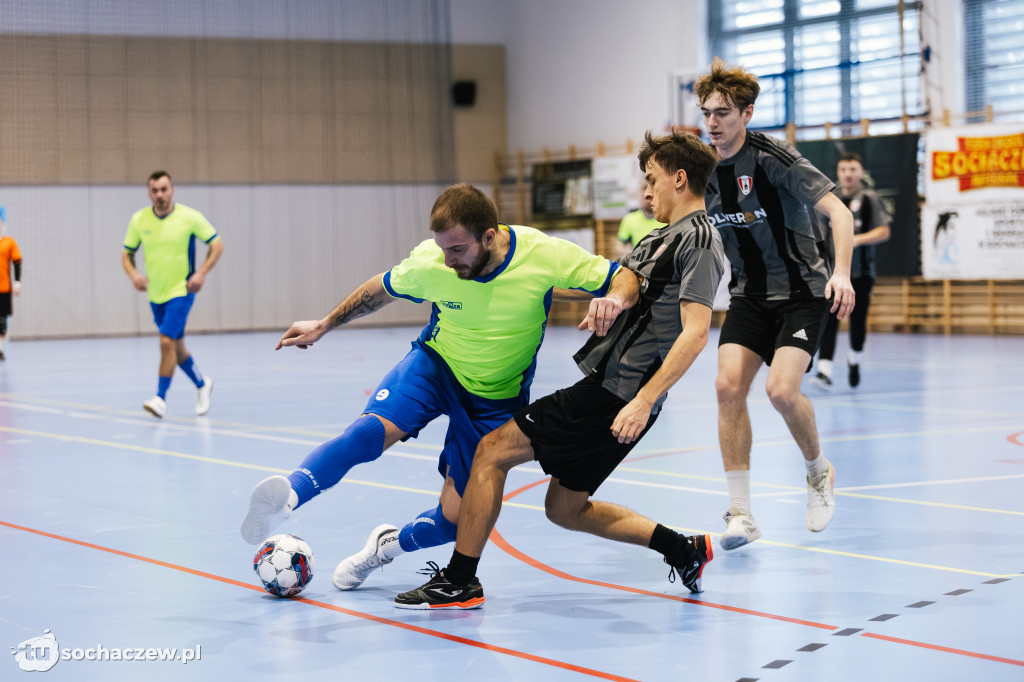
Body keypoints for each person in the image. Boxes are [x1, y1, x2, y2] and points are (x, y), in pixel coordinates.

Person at [240, 184, 636, 594]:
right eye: (442, 249)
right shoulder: (433, 261)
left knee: (454, 522)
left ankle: (384, 548)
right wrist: (324, 324)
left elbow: (623, 276)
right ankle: (287, 499)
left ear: (489, 236)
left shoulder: (543, 254)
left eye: (458, 250)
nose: (447, 261)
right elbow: (380, 289)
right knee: (368, 434)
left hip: (495, 397)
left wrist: (614, 300)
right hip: (436, 365)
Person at [394, 131, 725, 610]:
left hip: (617, 395)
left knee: (491, 451)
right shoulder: (658, 237)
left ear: (680, 178)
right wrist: (604, 302)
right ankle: (684, 549)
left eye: (651, 180)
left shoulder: (699, 240)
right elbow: (631, 292)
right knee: (564, 509)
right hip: (611, 391)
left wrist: (644, 399)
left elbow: (695, 332)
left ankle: (460, 579)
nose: (645, 191)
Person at [695, 57, 855, 550]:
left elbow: (840, 213)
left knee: (782, 392)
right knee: (726, 387)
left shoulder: (774, 159)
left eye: (722, 112)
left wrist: (843, 274)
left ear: (745, 113)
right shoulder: (702, 170)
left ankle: (816, 472)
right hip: (748, 296)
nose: (712, 123)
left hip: (804, 292)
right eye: (706, 113)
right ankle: (741, 512)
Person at [122, 171, 222, 418]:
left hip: (182, 290)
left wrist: (201, 274)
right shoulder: (139, 220)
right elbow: (127, 253)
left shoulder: (189, 217)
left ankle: (160, 398)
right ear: (149, 192)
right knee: (175, 347)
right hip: (156, 294)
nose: (160, 195)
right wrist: (134, 275)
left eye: (164, 189)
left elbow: (216, 244)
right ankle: (202, 384)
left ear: (172, 190)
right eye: (155, 190)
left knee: (166, 341)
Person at [813, 153, 891, 389]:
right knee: (828, 319)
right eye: (843, 169)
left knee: (858, 321)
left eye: (852, 169)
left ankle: (854, 358)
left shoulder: (869, 198)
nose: (848, 174)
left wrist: (854, 240)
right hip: (832, 272)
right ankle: (824, 370)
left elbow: (883, 232)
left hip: (861, 273)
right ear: (838, 172)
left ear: (860, 172)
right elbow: (819, 229)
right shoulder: (830, 198)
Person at [615, 182, 663, 257]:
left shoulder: (665, 218)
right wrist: (631, 255)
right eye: (645, 197)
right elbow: (619, 246)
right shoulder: (629, 219)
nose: (648, 201)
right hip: (638, 263)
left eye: (651, 197)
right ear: (640, 198)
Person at [0, 206, 23, 361]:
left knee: (2, 320)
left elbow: (17, 262)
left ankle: (0, 349)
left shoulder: (9, 242)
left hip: (3, 288)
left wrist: (17, 282)